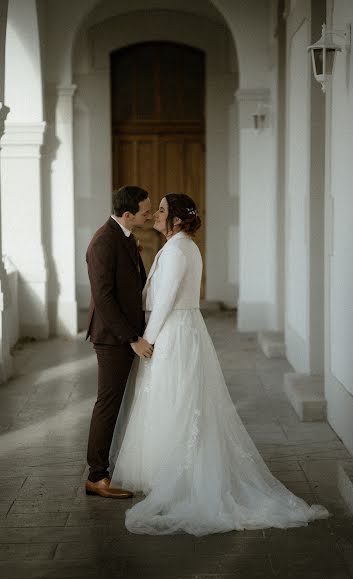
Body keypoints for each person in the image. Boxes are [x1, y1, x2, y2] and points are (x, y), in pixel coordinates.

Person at [109, 193, 330, 535]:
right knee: (171, 400)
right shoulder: (178, 246)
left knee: (179, 401)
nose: (156, 215)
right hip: (175, 329)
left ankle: (184, 477)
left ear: (178, 220)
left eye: (163, 211)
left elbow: (166, 299)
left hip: (174, 331)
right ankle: (170, 471)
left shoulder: (181, 249)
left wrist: (148, 338)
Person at [85, 185, 153, 499]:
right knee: (108, 404)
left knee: (119, 403)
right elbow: (104, 299)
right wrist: (132, 338)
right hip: (113, 338)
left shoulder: (124, 236)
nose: (150, 216)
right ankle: (97, 476)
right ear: (128, 215)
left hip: (125, 334)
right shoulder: (103, 241)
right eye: (146, 212)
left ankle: (113, 466)